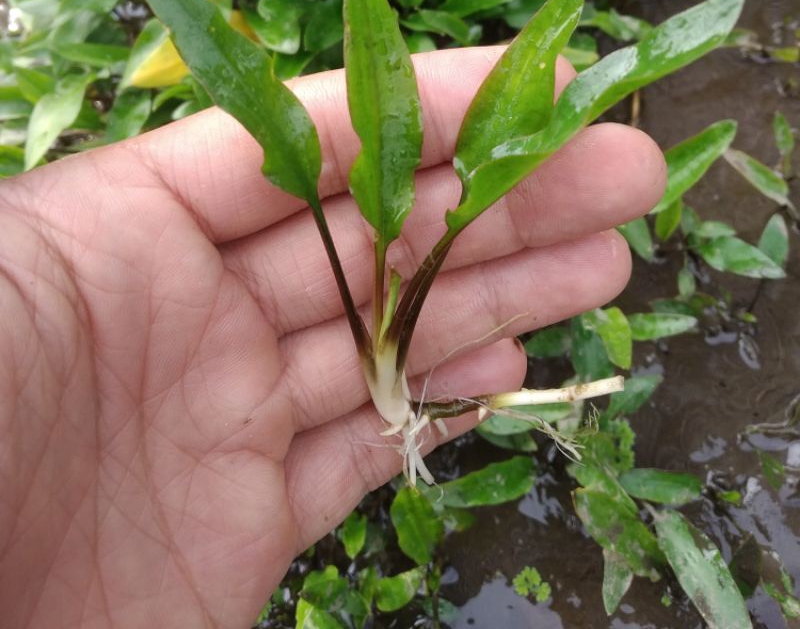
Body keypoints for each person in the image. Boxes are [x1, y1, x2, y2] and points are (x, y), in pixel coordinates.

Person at [0, 47, 666, 628]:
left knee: (443, 213)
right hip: (388, 398)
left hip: (387, 394)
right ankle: (485, 408)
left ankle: (483, 408)